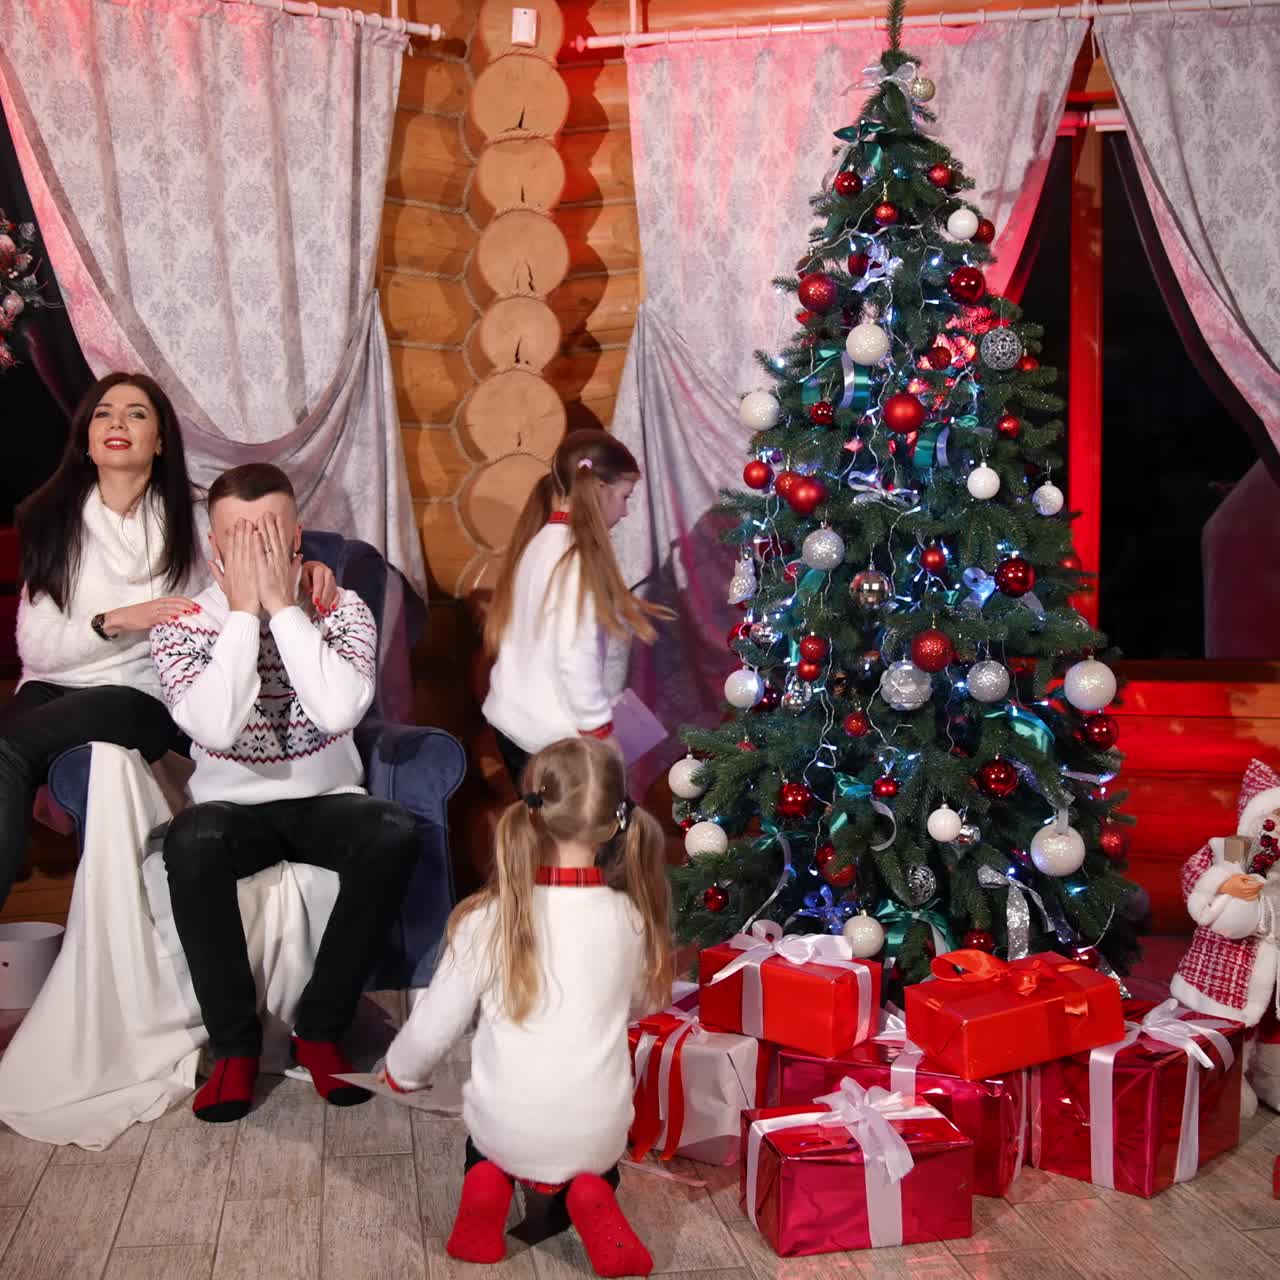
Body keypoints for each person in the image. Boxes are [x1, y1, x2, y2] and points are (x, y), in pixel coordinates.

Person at [0, 371, 338, 912]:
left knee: (9, 750)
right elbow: (37, 645)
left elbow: (255, 569)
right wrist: (115, 620)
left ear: (159, 441)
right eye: (104, 413)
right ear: (86, 437)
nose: (117, 423)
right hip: (52, 684)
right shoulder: (50, 521)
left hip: (141, 693)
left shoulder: (195, 518)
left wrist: (307, 569)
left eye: (136, 414)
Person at [151, 462, 418, 1123]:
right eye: (238, 537)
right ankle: (235, 1048)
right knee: (192, 840)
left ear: (296, 538)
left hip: (327, 802)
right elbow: (215, 726)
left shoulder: (341, 607)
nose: (254, 550)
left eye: (268, 534)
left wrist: (285, 610)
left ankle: (321, 1031)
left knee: (393, 832)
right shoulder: (183, 622)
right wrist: (244, 614)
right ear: (214, 547)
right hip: (231, 812)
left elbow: (338, 712)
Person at [383, 737, 671, 1277]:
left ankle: (487, 1182)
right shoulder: (630, 920)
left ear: (533, 813)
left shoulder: (487, 919)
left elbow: (436, 1023)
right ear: (616, 823)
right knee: (594, 1145)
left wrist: (403, 1073)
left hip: (505, 1125)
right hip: (597, 1131)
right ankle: (591, 1188)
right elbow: (641, 1004)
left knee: (487, 1138)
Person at [481, 430, 671, 786]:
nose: (626, 511)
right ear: (599, 488)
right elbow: (573, 651)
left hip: (520, 726)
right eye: (625, 496)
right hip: (549, 741)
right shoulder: (576, 558)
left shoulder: (542, 541)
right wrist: (601, 733)